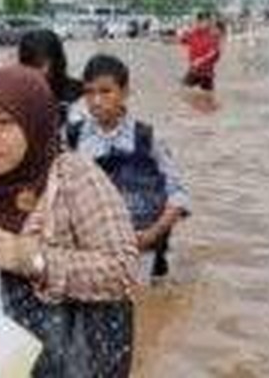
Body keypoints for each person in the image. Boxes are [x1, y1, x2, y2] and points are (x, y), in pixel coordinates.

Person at [0, 65, 138, 378]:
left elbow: (123, 271)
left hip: (59, 360)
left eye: (4, 123)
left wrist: (31, 259)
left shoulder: (74, 178)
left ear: (35, 124)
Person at [69, 54, 191, 282]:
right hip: (91, 251)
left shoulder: (148, 138)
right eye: (89, 92)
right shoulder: (73, 137)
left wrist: (151, 234)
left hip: (142, 250)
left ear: (125, 92)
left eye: (105, 91)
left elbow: (178, 194)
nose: (96, 100)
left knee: (144, 308)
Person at [18, 28, 84, 123]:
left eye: (40, 64)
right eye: (32, 65)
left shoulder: (79, 92)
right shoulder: (17, 97)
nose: (44, 70)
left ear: (57, 61)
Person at [180, 12, 222, 91]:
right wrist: (184, 30)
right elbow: (182, 40)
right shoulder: (193, 33)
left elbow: (214, 52)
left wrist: (201, 60)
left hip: (206, 72)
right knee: (183, 90)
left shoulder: (213, 34)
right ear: (199, 22)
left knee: (208, 95)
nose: (208, 24)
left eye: (209, 21)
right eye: (205, 21)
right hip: (194, 70)